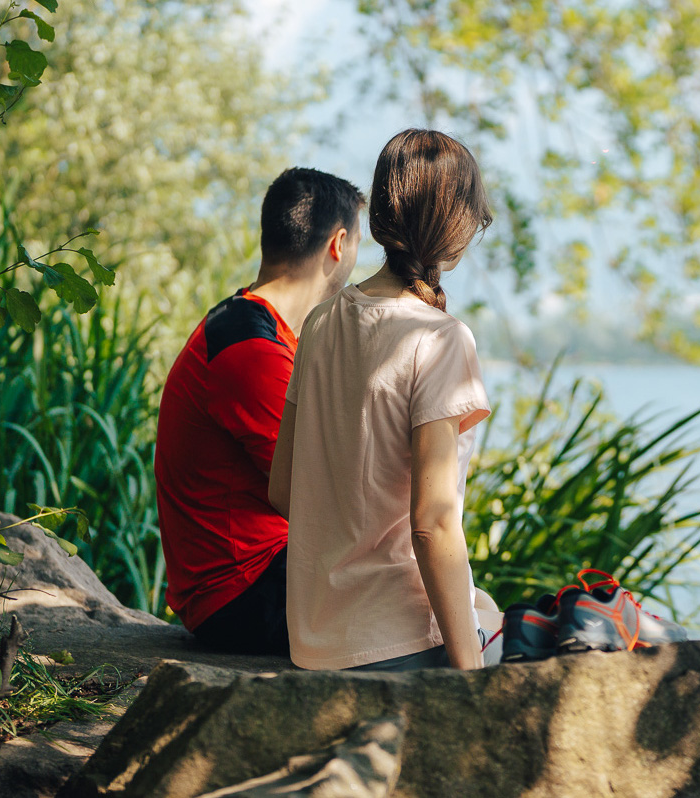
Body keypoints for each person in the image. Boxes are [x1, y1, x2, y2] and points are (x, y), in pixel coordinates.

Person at [270, 129, 500, 671]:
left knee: (485, 606)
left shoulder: (321, 323)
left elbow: (284, 488)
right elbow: (433, 523)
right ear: (459, 229)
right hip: (395, 644)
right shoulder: (440, 338)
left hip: (316, 640)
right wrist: (469, 682)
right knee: (528, 630)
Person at [154, 168, 364, 654]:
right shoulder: (252, 350)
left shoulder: (252, 325)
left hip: (258, 575)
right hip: (240, 592)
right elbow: (318, 500)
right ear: (338, 244)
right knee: (407, 593)